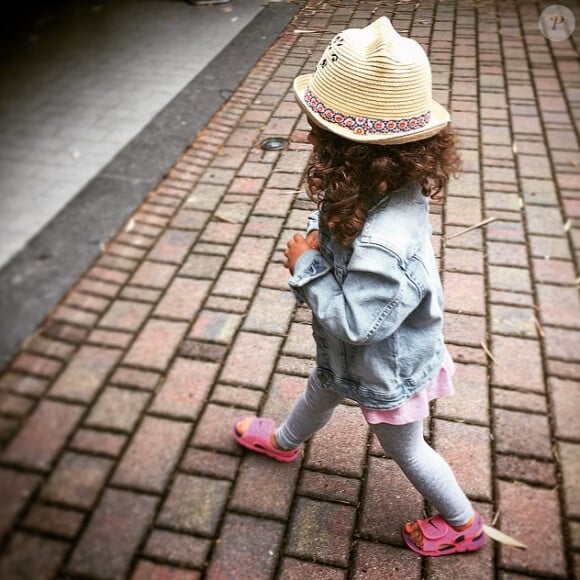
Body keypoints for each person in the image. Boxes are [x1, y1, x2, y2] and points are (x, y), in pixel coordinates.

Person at [233, 16, 486, 557]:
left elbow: (359, 322)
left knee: (407, 449)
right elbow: (346, 253)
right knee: (321, 387)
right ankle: (283, 443)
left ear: (346, 146)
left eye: (318, 132)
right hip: (348, 358)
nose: (308, 136)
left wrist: (305, 267)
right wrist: (319, 241)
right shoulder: (379, 183)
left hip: (384, 367)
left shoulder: (385, 239)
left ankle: (463, 523)